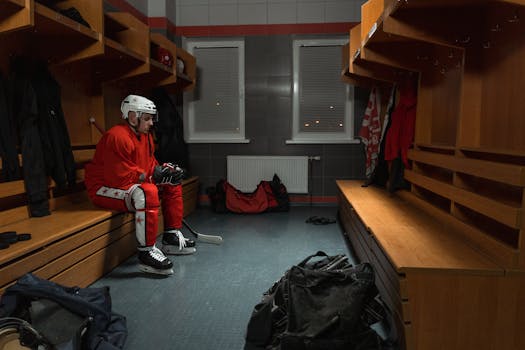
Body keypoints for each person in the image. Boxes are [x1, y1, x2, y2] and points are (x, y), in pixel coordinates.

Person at [84, 94, 196, 276]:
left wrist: (165, 170)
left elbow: (149, 165)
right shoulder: (116, 136)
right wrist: (153, 175)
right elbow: (119, 179)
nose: (152, 123)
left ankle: (170, 237)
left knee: (172, 183)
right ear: (132, 116)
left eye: (152, 118)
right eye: (147, 118)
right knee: (147, 192)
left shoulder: (146, 137)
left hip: (127, 184)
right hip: (104, 189)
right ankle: (146, 254)